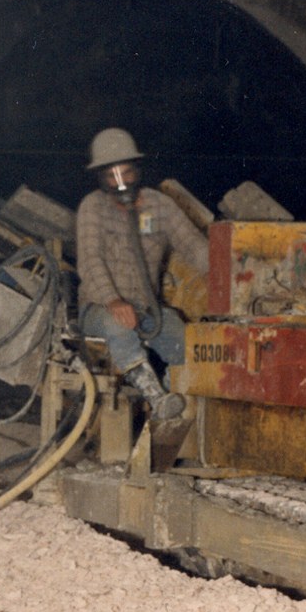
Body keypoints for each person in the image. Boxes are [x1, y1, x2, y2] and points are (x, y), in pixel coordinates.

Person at [74, 127, 209, 424]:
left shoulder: (158, 205)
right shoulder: (92, 207)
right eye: (112, 175)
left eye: (127, 173)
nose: (121, 182)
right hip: (99, 310)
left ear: (137, 170)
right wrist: (112, 300)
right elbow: (90, 260)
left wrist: (226, 275)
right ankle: (155, 397)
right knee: (118, 325)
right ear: (101, 177)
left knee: (184, 341)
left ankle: (173, 411)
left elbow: (193, 245)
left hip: (147, 310)